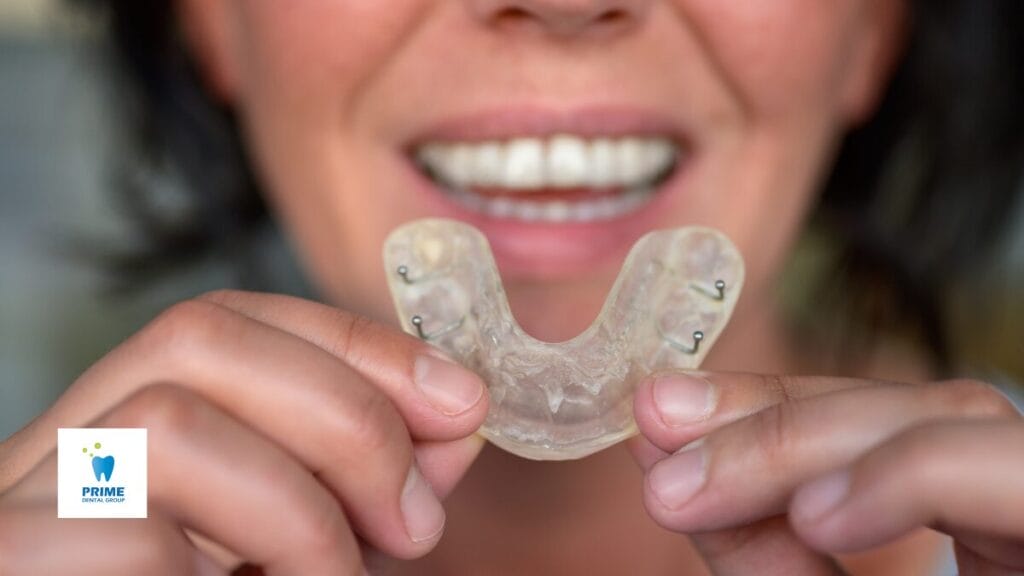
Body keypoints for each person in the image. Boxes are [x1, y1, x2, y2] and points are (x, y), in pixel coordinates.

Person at [1, 1, 1022, 574]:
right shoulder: (68, 504)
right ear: (209, 21)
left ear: (878, 28)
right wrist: (99, 484)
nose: (565, 5)